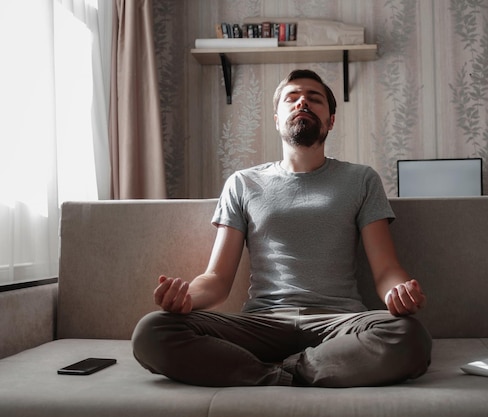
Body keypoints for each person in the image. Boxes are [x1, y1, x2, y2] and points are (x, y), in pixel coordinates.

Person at [131, 69, 432, 387]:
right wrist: (185, 298)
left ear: (331, 120)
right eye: (293, 97)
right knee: (153, 331)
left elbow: (386, 270)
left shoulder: (362, 179)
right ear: (277, 119)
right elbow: (217, 280)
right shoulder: (243, 183)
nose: (303, 101)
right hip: (262, 323)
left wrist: (399, 293)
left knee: (409, 335)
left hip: (339, 323)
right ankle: (280, 374)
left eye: (314, 98)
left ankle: (291, 369)